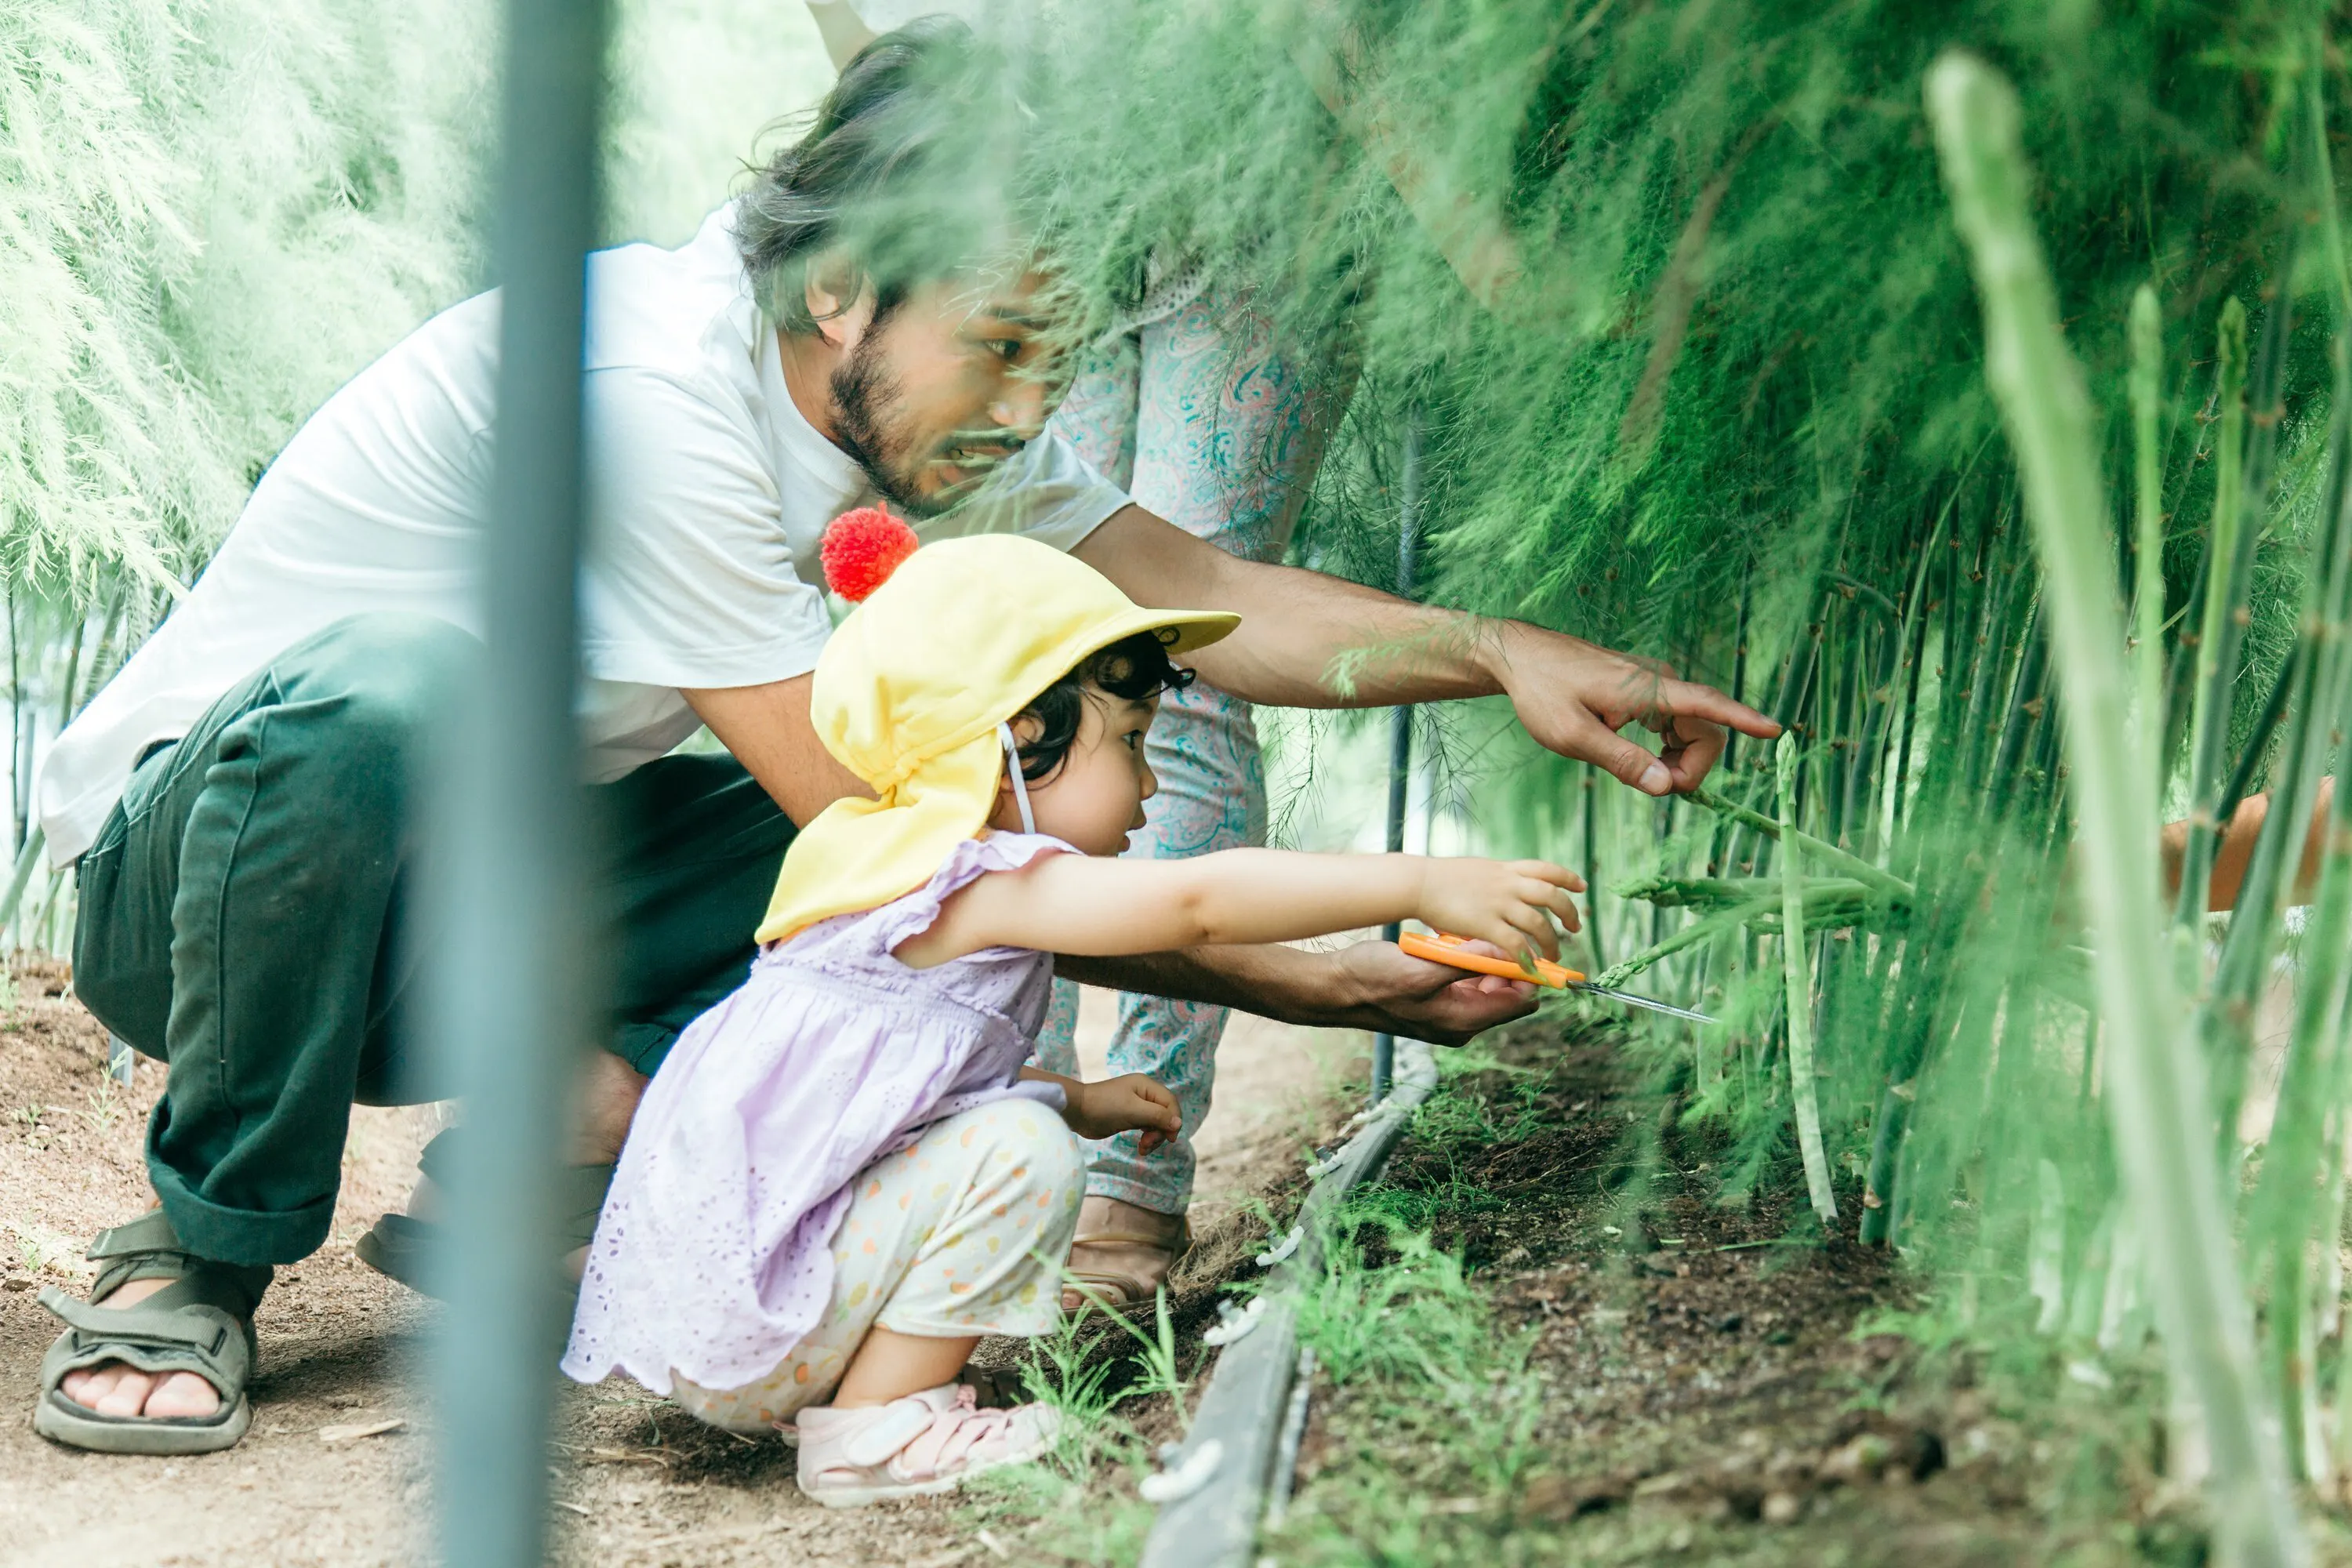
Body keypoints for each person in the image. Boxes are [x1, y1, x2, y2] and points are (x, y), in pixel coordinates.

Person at [29, 20, 1773, 1452]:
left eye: (1054, 353)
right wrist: (1321, 973)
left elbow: (1208, 589)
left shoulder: (913, 410)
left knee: (830, 841)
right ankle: (202, 1246)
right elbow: (923, 855)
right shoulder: (653, 396)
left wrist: (1506, 654)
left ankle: (575, 1132)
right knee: (417, 689)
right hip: (200, 895)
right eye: (1005, 349)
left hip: (452, 919)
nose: (1029, 404)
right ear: (848, 286)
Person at [561, 528, 1584, 1504]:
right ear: (1021, 736)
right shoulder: (970, 880)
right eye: (1132, 743)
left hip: (729, 1325)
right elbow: (1197, 902)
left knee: (1026, 1123)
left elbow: (882, 1099)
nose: (1146, 782)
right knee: (1023, 1148)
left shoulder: (876, 867)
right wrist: (1420, 880)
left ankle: (840, 1391)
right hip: (756, 1334)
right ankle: (876, 1431)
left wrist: (1081, 1098)